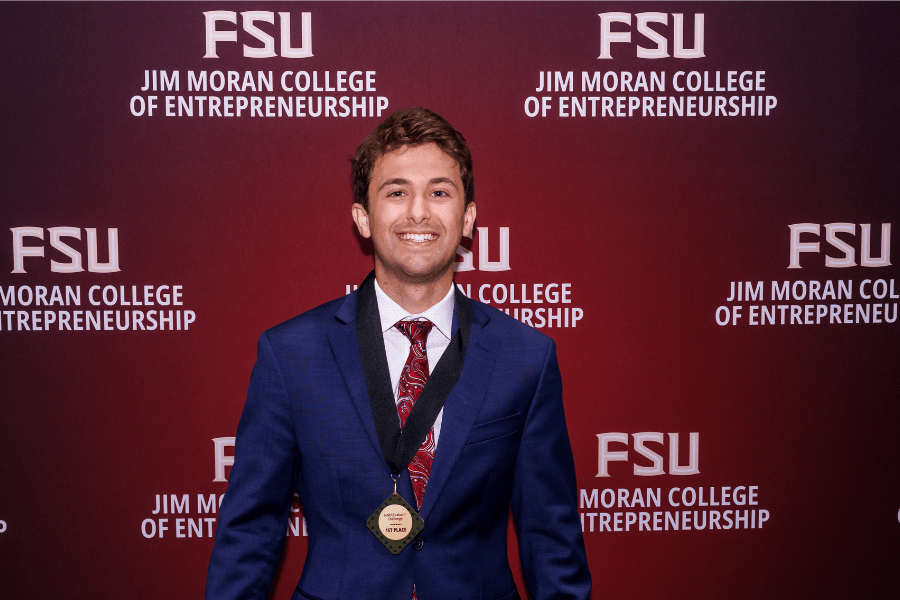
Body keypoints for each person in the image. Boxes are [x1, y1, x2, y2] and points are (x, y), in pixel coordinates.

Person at [205, 108, 591, 600]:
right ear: (363, 218)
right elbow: (250, 531)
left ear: (468, 217)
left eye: (439, 192)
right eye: (396, 192)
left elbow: (551, 536)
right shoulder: (291, 354)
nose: (418, 213)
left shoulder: (526, 357)